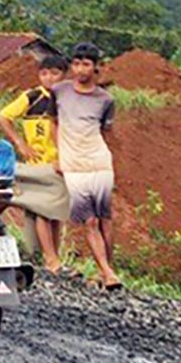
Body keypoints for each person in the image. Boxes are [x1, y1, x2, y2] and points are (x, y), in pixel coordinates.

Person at [53, 42, 121, 290]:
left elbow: (107, 132)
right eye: (76, 63)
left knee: (105, 218)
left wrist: (116, 162)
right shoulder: (59, 91)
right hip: (72, 165)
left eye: (86, 64)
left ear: (95, 68)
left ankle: (107, 271)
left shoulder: (105, 99)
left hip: (99, 162)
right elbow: (54, 123)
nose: (80, 69)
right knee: (89, 220)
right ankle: (108, 272)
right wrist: (57, 155)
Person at [0, 54, 68, 274]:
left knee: (57, 212)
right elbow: (3, 117)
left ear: (64, 75)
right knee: (42, 211)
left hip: (62, 164)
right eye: (44, 73)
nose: (49, 78)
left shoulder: (69, 99)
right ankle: (50, 259)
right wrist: (20, 143)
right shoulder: (32, 97)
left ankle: (54, 257)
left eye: (55, 73)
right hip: (39, 163)